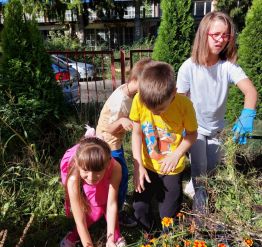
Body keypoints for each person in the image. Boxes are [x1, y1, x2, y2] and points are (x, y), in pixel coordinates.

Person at [176, 11, 258, 217]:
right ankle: (201, 215)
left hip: (217, 130)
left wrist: (247, 114)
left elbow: (250, 91)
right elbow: (179, 101)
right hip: (194, 130)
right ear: (204, 34)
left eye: (226, 36)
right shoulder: (188, 67)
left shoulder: (227, 66)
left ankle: (196, 190)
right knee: (199, 172)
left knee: (211, 170)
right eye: (217, 35)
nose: (221, 40)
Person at [130, 61, 198, 232]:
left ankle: (168, 243)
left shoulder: (185, 105)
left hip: (171, 169)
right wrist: (137, 165)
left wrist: (177, 155)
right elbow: (137, 133)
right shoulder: (139, 99)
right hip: (147, 165)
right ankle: (150, 238)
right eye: (150, 109)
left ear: (173, 93)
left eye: (159, 109)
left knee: (168, 215)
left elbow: (192, 134)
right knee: (139, 208)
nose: (154, 113)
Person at [96, 58, 153, 227]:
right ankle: (116, 212)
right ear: (137, 80)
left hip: (115, 142)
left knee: (118, 177)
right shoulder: (120, 100)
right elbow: (110, 128)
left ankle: (111, 205)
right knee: (121, 177)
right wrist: (122, 121)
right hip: (109, 143)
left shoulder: (129, 91)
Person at [58, 131, 126, 247]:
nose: (91, 177)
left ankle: (114, 237)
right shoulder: (73, 177)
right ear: (78, 165)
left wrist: (109, 239)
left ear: (107, 165)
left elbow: (111, 204)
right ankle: (69, 239)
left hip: (98, 168)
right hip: (78, 171)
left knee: (102, 203)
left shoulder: (115, 167)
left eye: (97, 172)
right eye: (86, 172)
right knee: (91, 211)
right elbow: (80, 220)